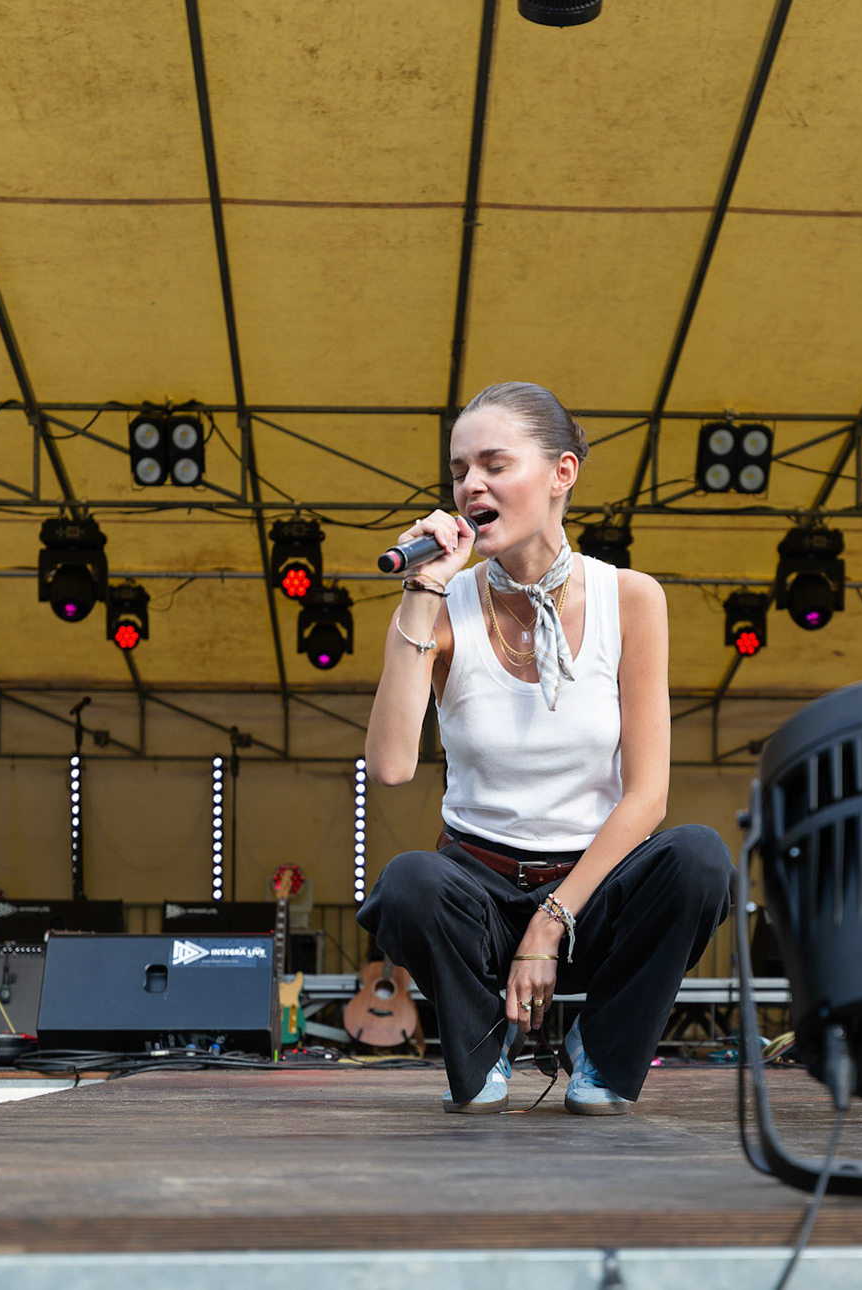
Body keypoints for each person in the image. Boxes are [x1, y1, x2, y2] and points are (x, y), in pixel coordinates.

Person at [358, 380, 732, 1115]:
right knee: (407, 884)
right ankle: (483, 1039)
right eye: (461, 470)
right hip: (480, 888)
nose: (471, 485)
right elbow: (392, 765)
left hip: (593, 891)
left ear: (562, 474)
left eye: (495, 465)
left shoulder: (631, 599)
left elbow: (647, 796)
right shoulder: (442, 607)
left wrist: (552, 918)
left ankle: (600, 1047)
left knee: (699, 859)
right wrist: (421, 592)